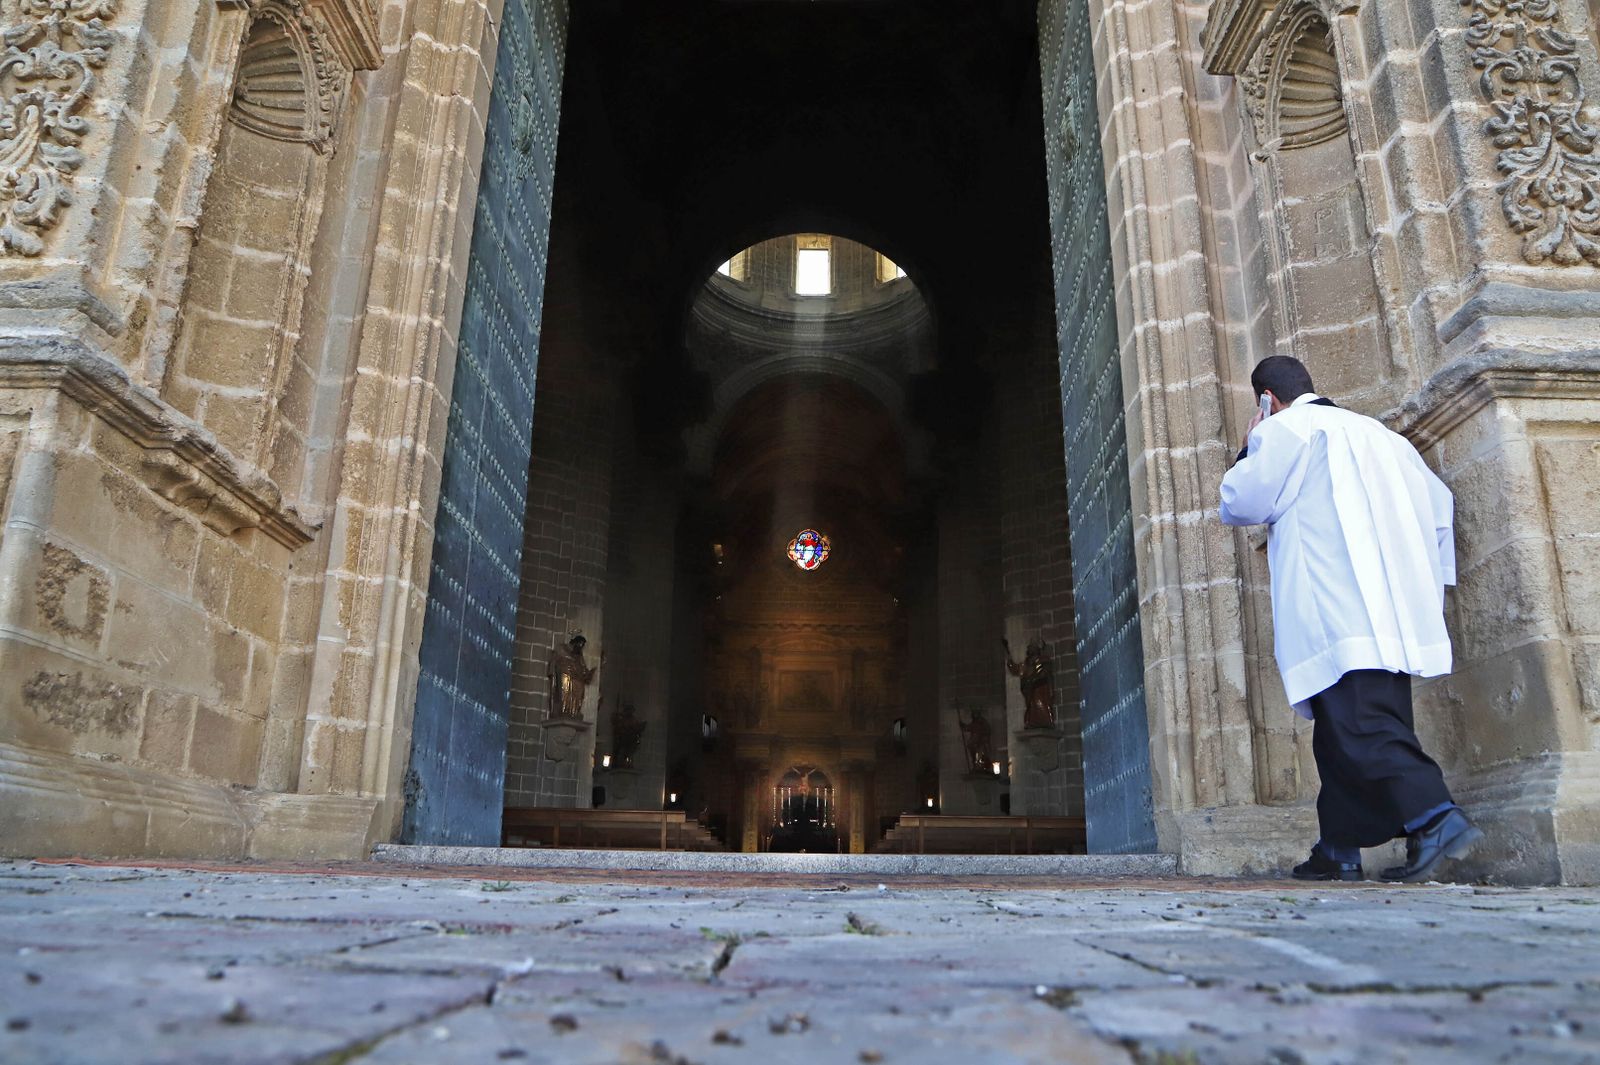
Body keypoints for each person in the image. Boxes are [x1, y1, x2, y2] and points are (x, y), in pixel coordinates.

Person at [1219, 355, 1482, 883]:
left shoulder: (1285, 429)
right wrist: (1424, 586)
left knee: (1361, 725)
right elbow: (1439, 509)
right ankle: (1338, 849)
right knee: (1346, 728)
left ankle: (1435, 816)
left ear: (1267, 399)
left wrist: (1249, 445)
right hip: (1393, 608)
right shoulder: (1385, 438)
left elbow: (1240, 501)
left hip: (1332, 603)